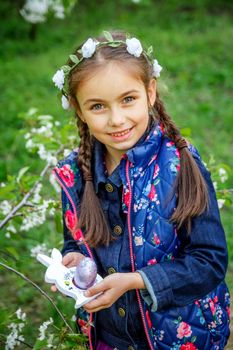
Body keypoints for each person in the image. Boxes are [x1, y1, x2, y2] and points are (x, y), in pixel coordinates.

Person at [51, 30, 230, 350]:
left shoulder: (181, 165)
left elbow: (210, 261)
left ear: (150, 92)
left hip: (173, 337)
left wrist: (136, 281)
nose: (116, 119)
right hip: (106, 335)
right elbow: (73, 240)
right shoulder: (75, 174)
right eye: (97, 106)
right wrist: (73, 258)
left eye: (128, 99)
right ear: (79, 110)